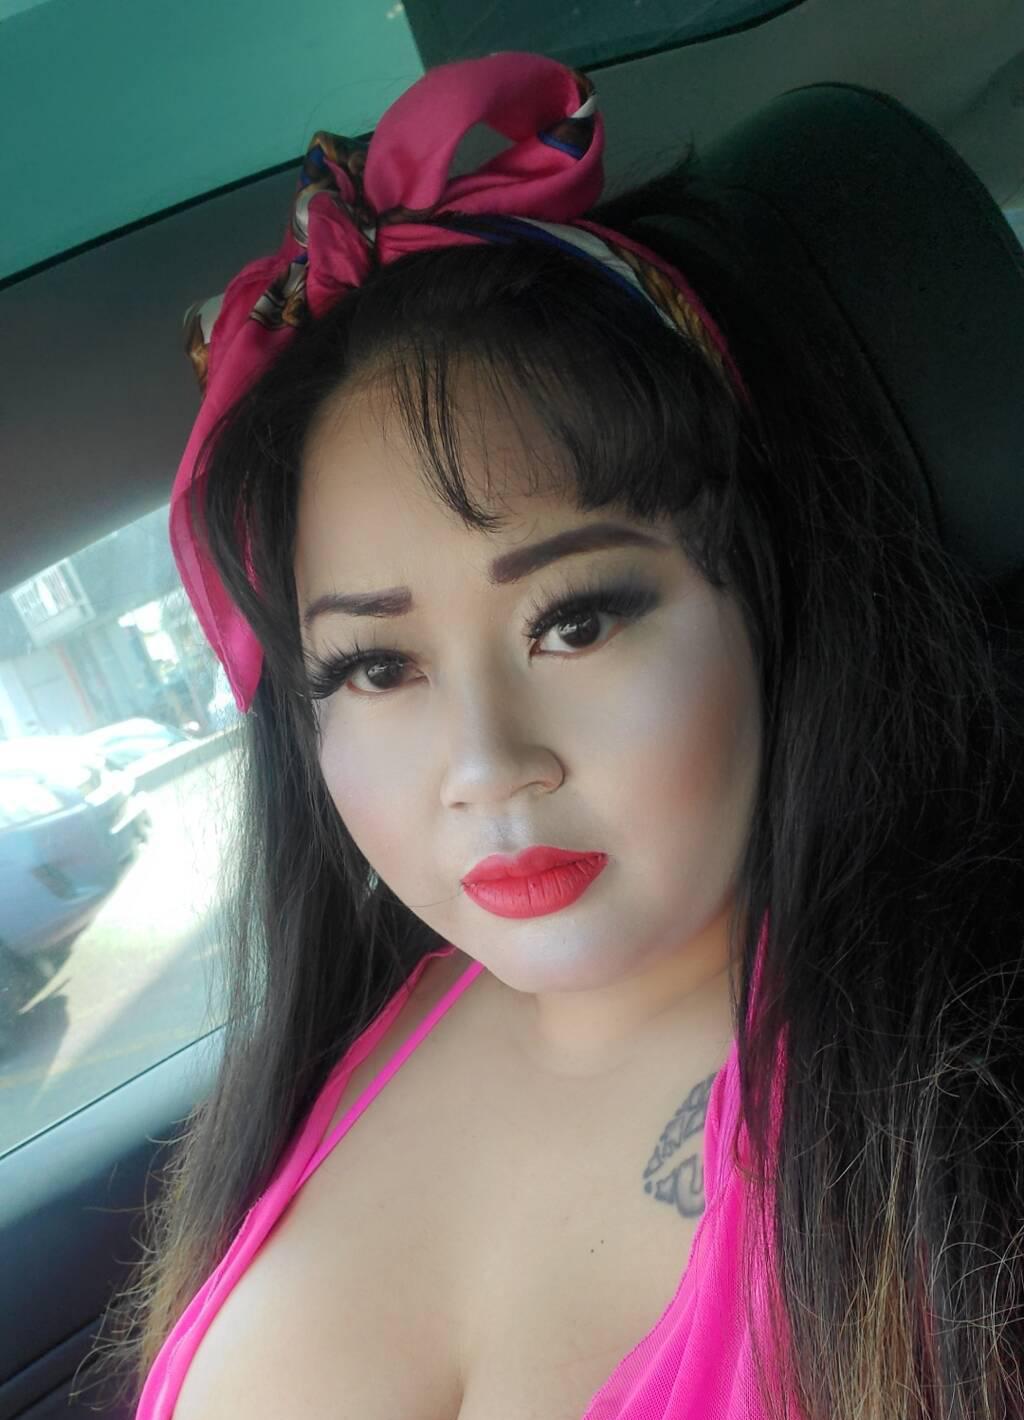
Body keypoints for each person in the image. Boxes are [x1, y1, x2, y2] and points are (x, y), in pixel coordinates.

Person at [87, 52, 1023, 1420]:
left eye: (575, 622)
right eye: (377, 666)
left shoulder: (955, 1125)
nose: (486, 767)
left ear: (759, 593)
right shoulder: (361, 1030)